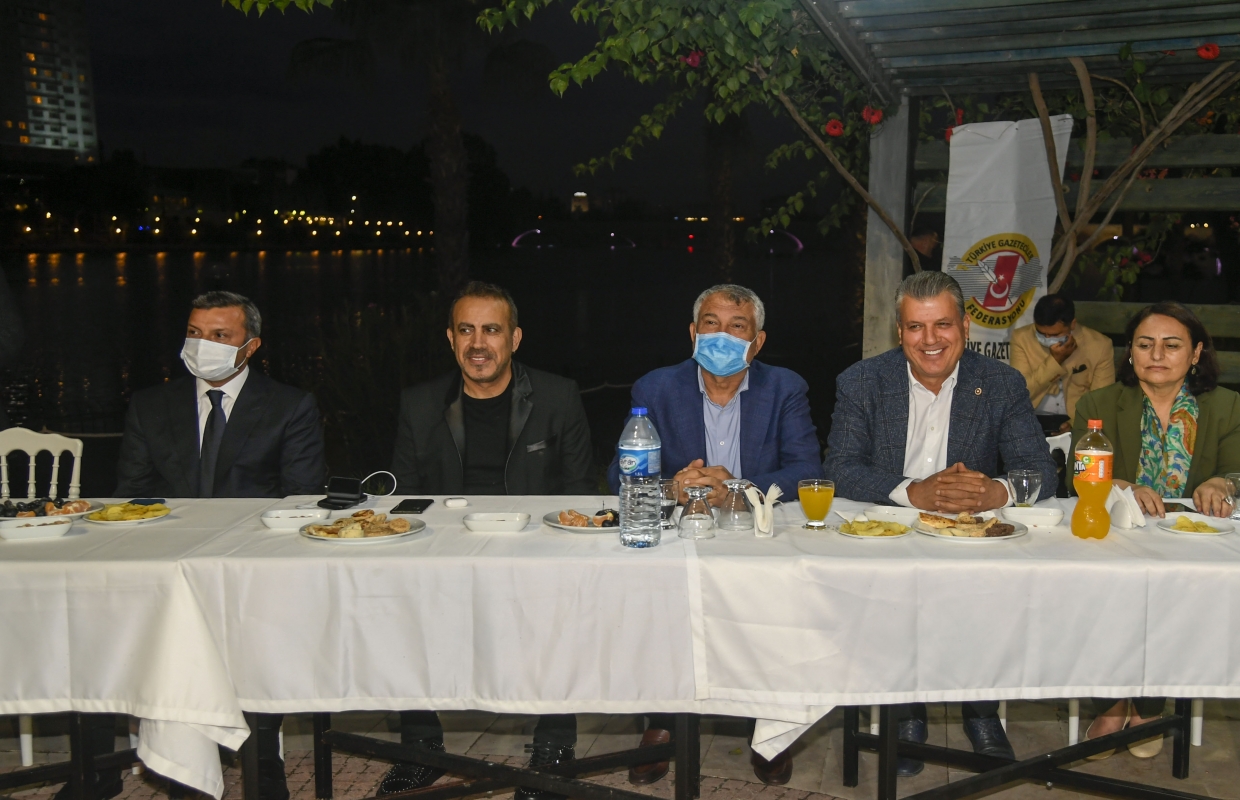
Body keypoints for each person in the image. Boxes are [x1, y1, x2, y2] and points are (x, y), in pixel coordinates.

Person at [824, 271, 1057, 777]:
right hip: (891, 532)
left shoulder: (1001, 383)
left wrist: (995, 492)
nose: (929, 340)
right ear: (900, 331)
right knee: (893, 593)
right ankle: (907, 713)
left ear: (965, 327)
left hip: (968, 537)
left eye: (942, 325)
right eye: (915, 327)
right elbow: (840, 468)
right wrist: (914, 492)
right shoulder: (862, 381)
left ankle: (981, 711)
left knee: (982, 591)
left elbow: (1041, 470)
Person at [108, 291, 327, 800]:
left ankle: (264, 760)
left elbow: (302, 500)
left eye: (219, 335)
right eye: (194, 333)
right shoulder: (151, 405)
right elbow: (131, 498)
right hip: (170, 571)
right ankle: (180, 766)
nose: (202, 344)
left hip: (252, 572)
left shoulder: (290, 406)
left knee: (260, 643)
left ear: (250, 346)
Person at [606, 283, 822, 787]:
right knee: (661, 601)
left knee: (777, 606)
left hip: (758, 535)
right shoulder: (655, 388)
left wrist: (737, 489)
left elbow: (807, 470)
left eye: (737, 327)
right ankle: (662, 720)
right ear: (692, 332)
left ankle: (769, 725)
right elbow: (619, 476)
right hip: (686, 532)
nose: (721, 336)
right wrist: (673, 486)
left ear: (757, 341)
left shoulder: (785, 388)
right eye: (711, 324)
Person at [386, 281, 592, 799]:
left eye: (492, 330)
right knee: (397, 592)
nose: (478, 344)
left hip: (534, 550)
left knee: (560, 596)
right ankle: (420, 749)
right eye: (466, 330)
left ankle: (554, 750)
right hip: (442, 550)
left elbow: (580, 493)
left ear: (514, 338)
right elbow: (403, 499)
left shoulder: (557, 396)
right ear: (450, 339)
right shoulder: (419, 403)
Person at [1073, 301, 1240, 760]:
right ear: (1131, 353)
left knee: (1179, 596)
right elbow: (1077, 474)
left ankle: (1148, 706)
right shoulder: (1098, 403)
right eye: (1145, 344)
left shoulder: (1226, 406)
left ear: (1196, 353)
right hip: (1119, 539)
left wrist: (1221, 482)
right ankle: (1111, 703)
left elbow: (1237, 471)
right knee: (1106, 589)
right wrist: (1122, 485)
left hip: (1192, 546)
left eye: (1172, 345)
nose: (1157, 355)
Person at [1011, 294, 1115, 435]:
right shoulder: (1021, 338)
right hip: (1031, 418)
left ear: (1072, 324)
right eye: (1041, 333)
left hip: (1078, 421)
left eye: (1055, 334)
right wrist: (1055, 361)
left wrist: (1075, 424)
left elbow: (1101, 400)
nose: (1047, 338)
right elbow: (1019, 392)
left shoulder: (1100, 345)